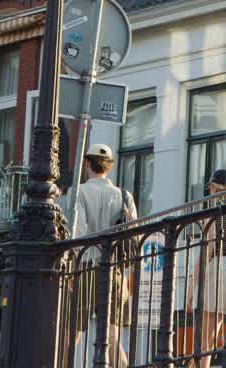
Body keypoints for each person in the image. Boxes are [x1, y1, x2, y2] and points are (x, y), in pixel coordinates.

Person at [72, 144, 137, 368]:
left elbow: (77, 234)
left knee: (72, 334)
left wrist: (71, 271)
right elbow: (133, 236)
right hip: (116, 271)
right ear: (109, 166)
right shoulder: (124, 195)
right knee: (112, 336)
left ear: (87, 163)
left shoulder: (78, 192)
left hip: (87, 267)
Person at [186, 169, 226, 368]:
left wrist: (192, 289)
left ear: (215, 187)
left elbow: (209, 247)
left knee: (206, 336)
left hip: (220, 268)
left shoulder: (214, 210)